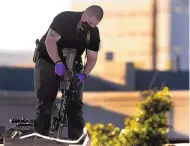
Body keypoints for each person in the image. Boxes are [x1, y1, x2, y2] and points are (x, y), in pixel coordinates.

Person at [33, 5, 104, 140]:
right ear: (85, 15)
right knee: (46, 101)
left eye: (94, 25)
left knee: (75, 104)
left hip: (73, 62)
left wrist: (84, 74)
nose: (91, 27)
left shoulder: (93, 32)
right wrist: (58, 62)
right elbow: (50, 41)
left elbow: (92, 58)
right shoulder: (65, 19)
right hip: (48, 59)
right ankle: (42, 139)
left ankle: (76, 140)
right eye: (89, 23)